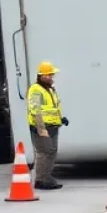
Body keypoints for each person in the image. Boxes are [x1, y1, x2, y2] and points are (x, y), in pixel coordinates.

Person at [27, 61, 69, 191]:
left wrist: (61, 118)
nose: (52, 77)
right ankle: (40, 180)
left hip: (53, 126)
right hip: (42, 127)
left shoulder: (50, 89)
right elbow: (35, 110)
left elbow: (53, 107)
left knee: (51, 152)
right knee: (44, 153)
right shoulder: (35, 90)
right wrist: (41, 129)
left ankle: (47, 177)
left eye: (52, 75)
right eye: (49, 75)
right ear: (42, 76)